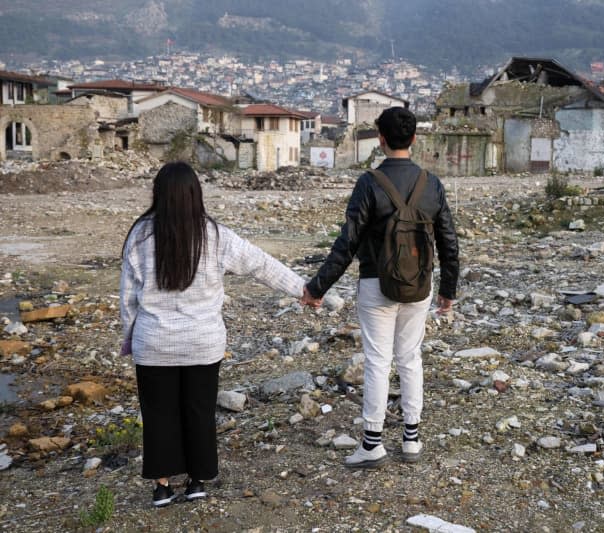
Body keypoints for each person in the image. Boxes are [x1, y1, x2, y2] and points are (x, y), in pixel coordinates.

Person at [120, 161, 310, 507]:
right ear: (196, 194)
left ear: (158, 194)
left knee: (159, 414)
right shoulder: (216, 235)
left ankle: (162, 486)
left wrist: (130, 337)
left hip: (154, 342)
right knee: (199, 410)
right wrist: (303, 289)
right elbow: (262, 265)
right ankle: (197, 480)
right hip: (203, 343)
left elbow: (129, 298)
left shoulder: (140, 235)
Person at [302, 107, 459, 468]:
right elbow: (449, 241)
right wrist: (448, 290)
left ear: (381, 139)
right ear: (415, 139)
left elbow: (348, 243)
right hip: (420, 284)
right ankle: (412, 439)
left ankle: (372, 443)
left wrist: (317, 287)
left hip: (376, 285)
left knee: (377, 361)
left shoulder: (369, 182)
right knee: (410, 358)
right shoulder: (431, 183)